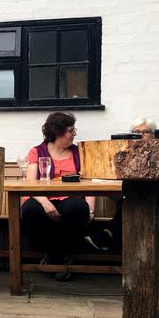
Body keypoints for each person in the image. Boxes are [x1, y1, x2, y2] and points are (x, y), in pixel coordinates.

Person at [20, 112, 95, 281]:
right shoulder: (37, 152)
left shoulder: (79, 153)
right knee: (31, 210)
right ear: (57, 131)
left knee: (78, 209)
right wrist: (46, 203)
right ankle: (61, 258)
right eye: (71, 130)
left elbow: (90, 181)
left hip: (69, 199)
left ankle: (52, 257)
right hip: (40, 198)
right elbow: (30, 184)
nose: (74, 133)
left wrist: (91, 208)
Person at [85, 117, 158, 251]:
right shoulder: (125, 152)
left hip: (152, 194)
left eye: (145, 131)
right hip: (124, 191)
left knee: (129, 201)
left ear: (152, 134)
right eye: (136, 132)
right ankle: (112, 239)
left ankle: (108, 238)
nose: (141, 135)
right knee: (128, 200)